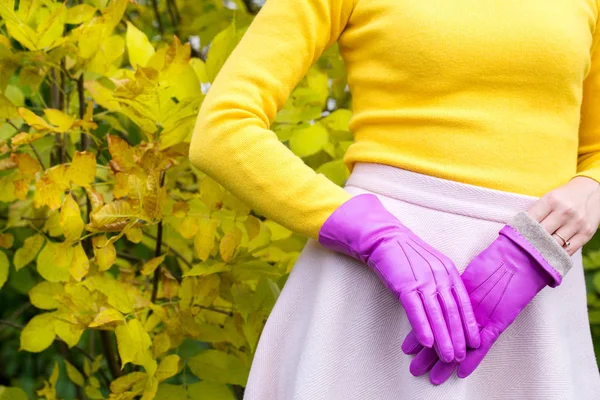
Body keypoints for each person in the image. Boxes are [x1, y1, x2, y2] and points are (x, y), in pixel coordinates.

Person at [188, 0, 600, 398]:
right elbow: (223, 129)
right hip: (371, 292)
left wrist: (588, 193)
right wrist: (369, 232)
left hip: (538, 287)